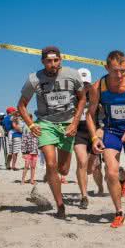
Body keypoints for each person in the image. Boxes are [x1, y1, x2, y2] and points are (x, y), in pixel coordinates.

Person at [17, 45, 87, 219]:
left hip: (68, 124)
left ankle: (55, 177)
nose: (53, 64)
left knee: (63, 169)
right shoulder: (34, 79)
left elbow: (82, 98)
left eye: (56, 60)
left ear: (60, 60)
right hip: (46, 124)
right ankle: (60, 205)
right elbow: (21, 105)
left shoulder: (72, 75)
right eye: (49, 61)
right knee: (50, 164)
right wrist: (31, 125)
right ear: (43, 61)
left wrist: (75, 122)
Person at [87, 51, 125, 228]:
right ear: (106, 68)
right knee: (110, 172)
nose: (120, 75)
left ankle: (124, 177)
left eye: (122, 70)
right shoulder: (98, 87)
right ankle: (119, 212)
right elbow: (90, 115)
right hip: (111, 131)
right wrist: (93, 138)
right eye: (115, 71)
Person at [73, 68, 95, 208]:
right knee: (82, 162)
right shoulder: (71, 97)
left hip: (93, 131)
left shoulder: (96, 95)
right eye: (81, 84)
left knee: (92, 168)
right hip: (79, 131)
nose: (84, 87)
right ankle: (84, 196)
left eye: (86, 84)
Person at [21, 114, 39, 185]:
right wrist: (23, 153)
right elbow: (23, 143)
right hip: (28, 153)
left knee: (33, 167)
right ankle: (23, 180)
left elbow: (39, 145)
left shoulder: (37, 137)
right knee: (26, 166)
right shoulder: (27, 135)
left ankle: (32, 180)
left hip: (35, 153)